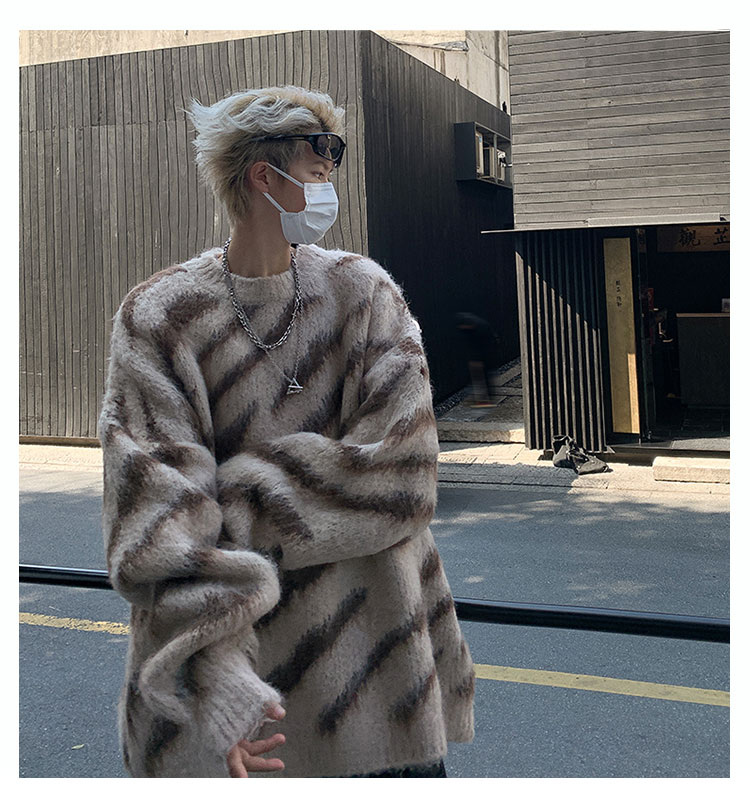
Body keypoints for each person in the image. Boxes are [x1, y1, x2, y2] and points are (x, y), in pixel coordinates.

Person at [99, 85, 475, 778]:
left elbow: (404, 474)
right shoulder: (160, 316)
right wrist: (215, 676)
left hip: (380, 668)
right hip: (242, 681)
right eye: (318, 158)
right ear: (262, 176)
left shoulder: (365, 293)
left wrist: (235, 500)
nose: (331, 173)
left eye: (335, 158)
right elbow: (154, 529)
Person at [455, 312, 498, 407]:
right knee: (476, 377)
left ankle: (488, 398)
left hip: (487, 354)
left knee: (487, 376)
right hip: (478, 354)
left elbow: (485, 346)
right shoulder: (468, 329)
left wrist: (479, 360)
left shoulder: (481, 328)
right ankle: (479, 398)